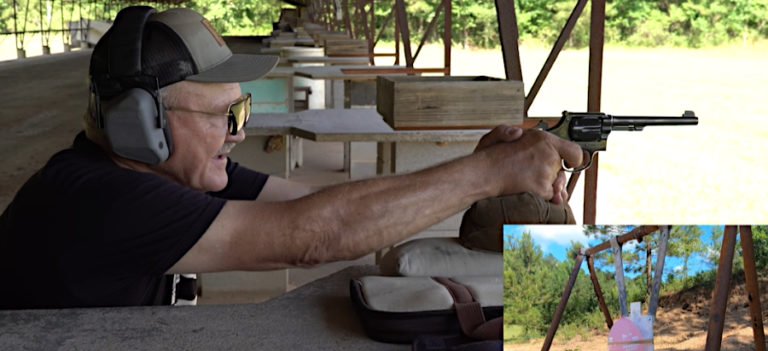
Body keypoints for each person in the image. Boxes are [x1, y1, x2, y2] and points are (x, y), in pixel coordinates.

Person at [0, 6, 582, 310]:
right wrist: (485, 174)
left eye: (242, 113)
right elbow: (313, 235)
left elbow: (316, 201)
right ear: (140, 123)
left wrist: (473, 177)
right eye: (223, 117)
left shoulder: (158, 172)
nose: (236, 135)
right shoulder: (100, 201)